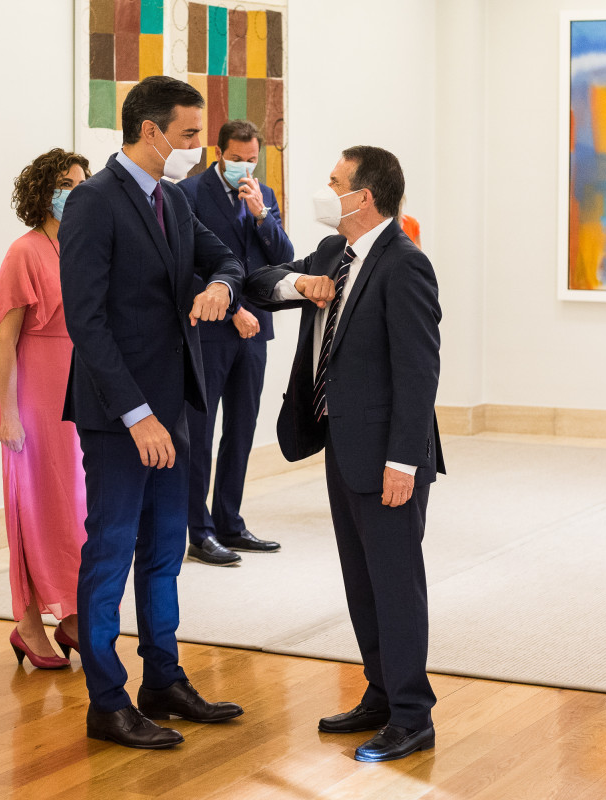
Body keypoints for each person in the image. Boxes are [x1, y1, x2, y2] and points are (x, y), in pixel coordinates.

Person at [59, 75, 246, 749]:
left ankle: (162, 678)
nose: (200, 147)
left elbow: (223, 257)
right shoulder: (92, 202)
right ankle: (106, 701)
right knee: (110, 552)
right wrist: (136, 414)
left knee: (165, 552)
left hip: (177, 406)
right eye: (191, 135)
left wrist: (223, 287)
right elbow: (87, 321)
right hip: (121, 417)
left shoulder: (172, 197)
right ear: (151, 131)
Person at [244, 146, 444, 763]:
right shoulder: (334, 254)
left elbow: (419, 373)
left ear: (363, 197)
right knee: (362, 583)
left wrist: (404, 463)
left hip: (388, 458)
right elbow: (261, 281)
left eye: (334, 183)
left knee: (394, 582)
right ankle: (380, 694)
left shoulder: (406, 264)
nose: (324, 191)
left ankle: (413, 716)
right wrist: (298, 282)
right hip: (342, 447)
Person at [178, 119, 294, 566]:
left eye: (251, 160)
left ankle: (230, 521)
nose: (243, 167)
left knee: (241, 429)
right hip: (210, 329)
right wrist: (231, 309)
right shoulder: (189, 194)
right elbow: (186, 268)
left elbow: (283, 257)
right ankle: (199, 530)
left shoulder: (262, 195)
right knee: (200, 435)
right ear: (218, 153)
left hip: (255, 331)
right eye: (236, 159)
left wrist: (263, 214)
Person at [0, 148, 91, 670]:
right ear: (41, 191)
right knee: (37, 503)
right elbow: (4, 340)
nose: (73, 190)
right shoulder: (24, 251)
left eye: (81, 182)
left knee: (74, 504)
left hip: (80, 382)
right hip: (36, 387)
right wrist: (6, 411)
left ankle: (68, 613)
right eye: (64, 182)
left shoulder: (80, 244)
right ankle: (35, 622)